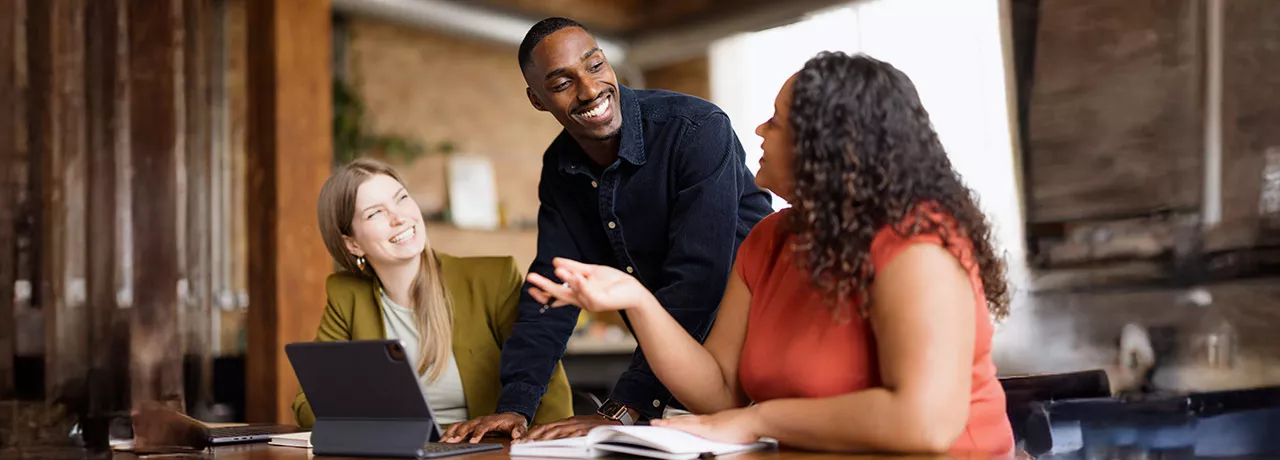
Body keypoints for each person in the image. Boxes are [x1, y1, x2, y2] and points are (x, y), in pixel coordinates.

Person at [524, 52, 1017, 455]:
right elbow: (719, 389)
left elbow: (925, 425)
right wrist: (638, 300)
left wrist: (756, 420)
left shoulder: (918, 244)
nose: (759, 131)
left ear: (831, 148)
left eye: (777, 122)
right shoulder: (769, 239)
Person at [441, 17, 773, 442]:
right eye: (562, 83)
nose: (590, 89)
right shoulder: (560, 169)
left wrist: (625, 407)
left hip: (761, 359)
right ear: (537, 100)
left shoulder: (695, 129)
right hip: (680, 383)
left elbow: (698, 281)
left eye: (595, 65)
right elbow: (552, 290)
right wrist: (514, 407)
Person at [294, 158, 574, 436]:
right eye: (375, 213)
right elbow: (308, 403)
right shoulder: (346, 296)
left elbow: (548, 390)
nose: (399, 218)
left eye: (401, 198)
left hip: (486, 452)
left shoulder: (492, 279)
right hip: (396, 454)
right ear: (352, 244)